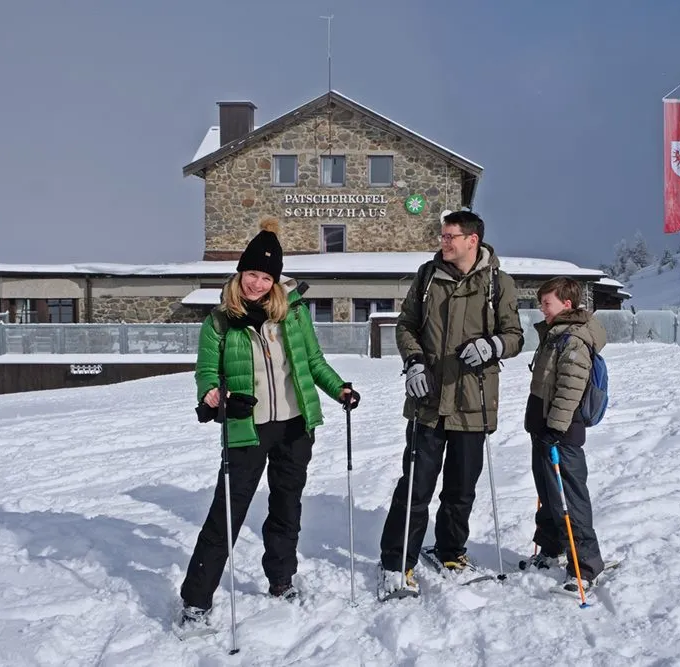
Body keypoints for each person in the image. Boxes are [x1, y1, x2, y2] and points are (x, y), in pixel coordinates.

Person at [177, 218, 359, 632]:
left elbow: (313, 362)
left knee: (286, 507)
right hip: (247, 427)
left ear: (276, 281)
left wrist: (340, 390)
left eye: (265, 277)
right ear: (239, 273)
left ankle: (281, 579)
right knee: (227, 513)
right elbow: (206, 372)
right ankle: (196, 600)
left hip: (295, 426)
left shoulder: (293, 315)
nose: (257, 284)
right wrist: (212, 394)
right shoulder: (218, 322)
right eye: (251, 274)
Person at [378, 209, 524, 595]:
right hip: (427, 400)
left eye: (449, 237)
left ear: (472, 240)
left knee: (461, 489)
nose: (443, 242)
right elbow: (406, 325)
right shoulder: (427, 277)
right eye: (442, 236)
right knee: (415, 487)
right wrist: (413, 361)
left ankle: (450, 551)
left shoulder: (499, 283)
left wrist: (493, 345)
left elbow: (515, 335)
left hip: (473, 401)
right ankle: (396, 562)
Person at [522, 276, 606, 592]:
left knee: (571, 498)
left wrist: (555, 428)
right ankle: (551, 547)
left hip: (561, 432)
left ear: (566, 304)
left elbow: (571, 388)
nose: (541, 308)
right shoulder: (555, 334)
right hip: (543, 428)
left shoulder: (573, 339)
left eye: (547, 303)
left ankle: (586, 565)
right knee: (548, 494)